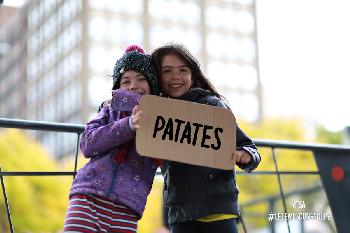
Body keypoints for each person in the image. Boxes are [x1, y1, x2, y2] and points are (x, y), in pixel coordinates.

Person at [151, 43, 261, 233]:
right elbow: (167, 175)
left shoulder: (212, 106)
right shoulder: (157, 116)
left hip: (218, 211)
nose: (175, 76)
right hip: (181, 216)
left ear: (192, 75)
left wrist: (246, 155)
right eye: (167, 71)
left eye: (182, 70)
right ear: (157, 77)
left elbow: (247, 145)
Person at [63, 45, 161, 233]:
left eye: (141, 79)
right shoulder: (108, 110)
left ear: (152, 85)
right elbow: (87, 143)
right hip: (88, 196)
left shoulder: (161, 120)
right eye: (126, 81)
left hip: (128, 207)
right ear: (117, 86)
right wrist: (129, 125)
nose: (133, 86)